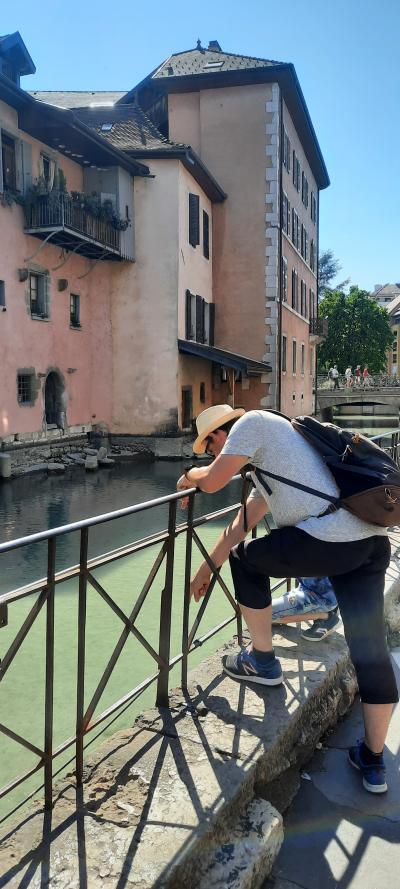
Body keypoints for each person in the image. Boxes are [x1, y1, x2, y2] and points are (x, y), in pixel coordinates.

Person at [177, 404, 398, 794]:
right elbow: (242, 522)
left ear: (217, 435)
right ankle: (373, 759)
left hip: (330, 540)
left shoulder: (252, 423)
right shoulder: (276, 452)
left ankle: (262, 661)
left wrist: (188, 477)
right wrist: (207, 568)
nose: (215, 455)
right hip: (367, 543)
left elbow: (212, 481)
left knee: (247, 562)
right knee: (369, 650)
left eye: (210, 447)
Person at [272, 575, 341, 641]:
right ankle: (325, 614)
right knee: (268, 614)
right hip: (308, 587)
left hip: (320, 598)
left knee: (265, 614)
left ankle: (327, 617)